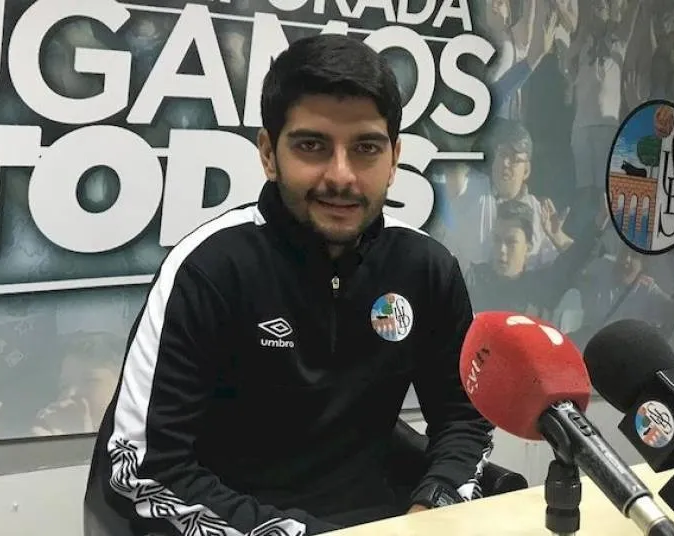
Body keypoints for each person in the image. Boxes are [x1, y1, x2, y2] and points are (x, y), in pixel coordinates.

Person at [84, 34, 494, 536]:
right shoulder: (207, 270)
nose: (341, 176)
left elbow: (463, 418)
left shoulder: (426, 268)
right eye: (311, 146)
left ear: (394, 158)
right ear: (268, 154)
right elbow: (142, 470)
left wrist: (432, 509)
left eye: (366, 147)